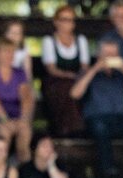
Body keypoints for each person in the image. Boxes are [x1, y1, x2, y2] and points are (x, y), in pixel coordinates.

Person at [70, 39, 123, 178]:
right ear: (99, 55)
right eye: (107, 54)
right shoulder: (89, 72)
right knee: (100, 128)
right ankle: (108, 172)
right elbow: (75, 94)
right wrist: (95, 68)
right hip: (97, 119)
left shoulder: (122, 76)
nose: (110, 57)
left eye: (114, 54)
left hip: (122, 120)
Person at [0, 38, 34, 162]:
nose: (9, 55)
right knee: (4, 131)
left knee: (25, 130)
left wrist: (23, 119)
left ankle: (23, 168)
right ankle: (1, 168)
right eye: (6, 51)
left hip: (16, 118)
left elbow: (26, 97)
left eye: (12, 51)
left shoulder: (20, 73)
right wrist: (5, 120)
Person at [40, 5, 88, 137]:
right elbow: (51, 69)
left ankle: (70, 128)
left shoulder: (81, 40)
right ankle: (70, 129)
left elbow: (84, 66)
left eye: (70, 20)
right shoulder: (49, 41)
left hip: (77, 80)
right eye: (64, 19)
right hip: (55, 81)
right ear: (56, 21)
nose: (68, 24)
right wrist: (70, 75)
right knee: (64, 90)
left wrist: (79, 78)